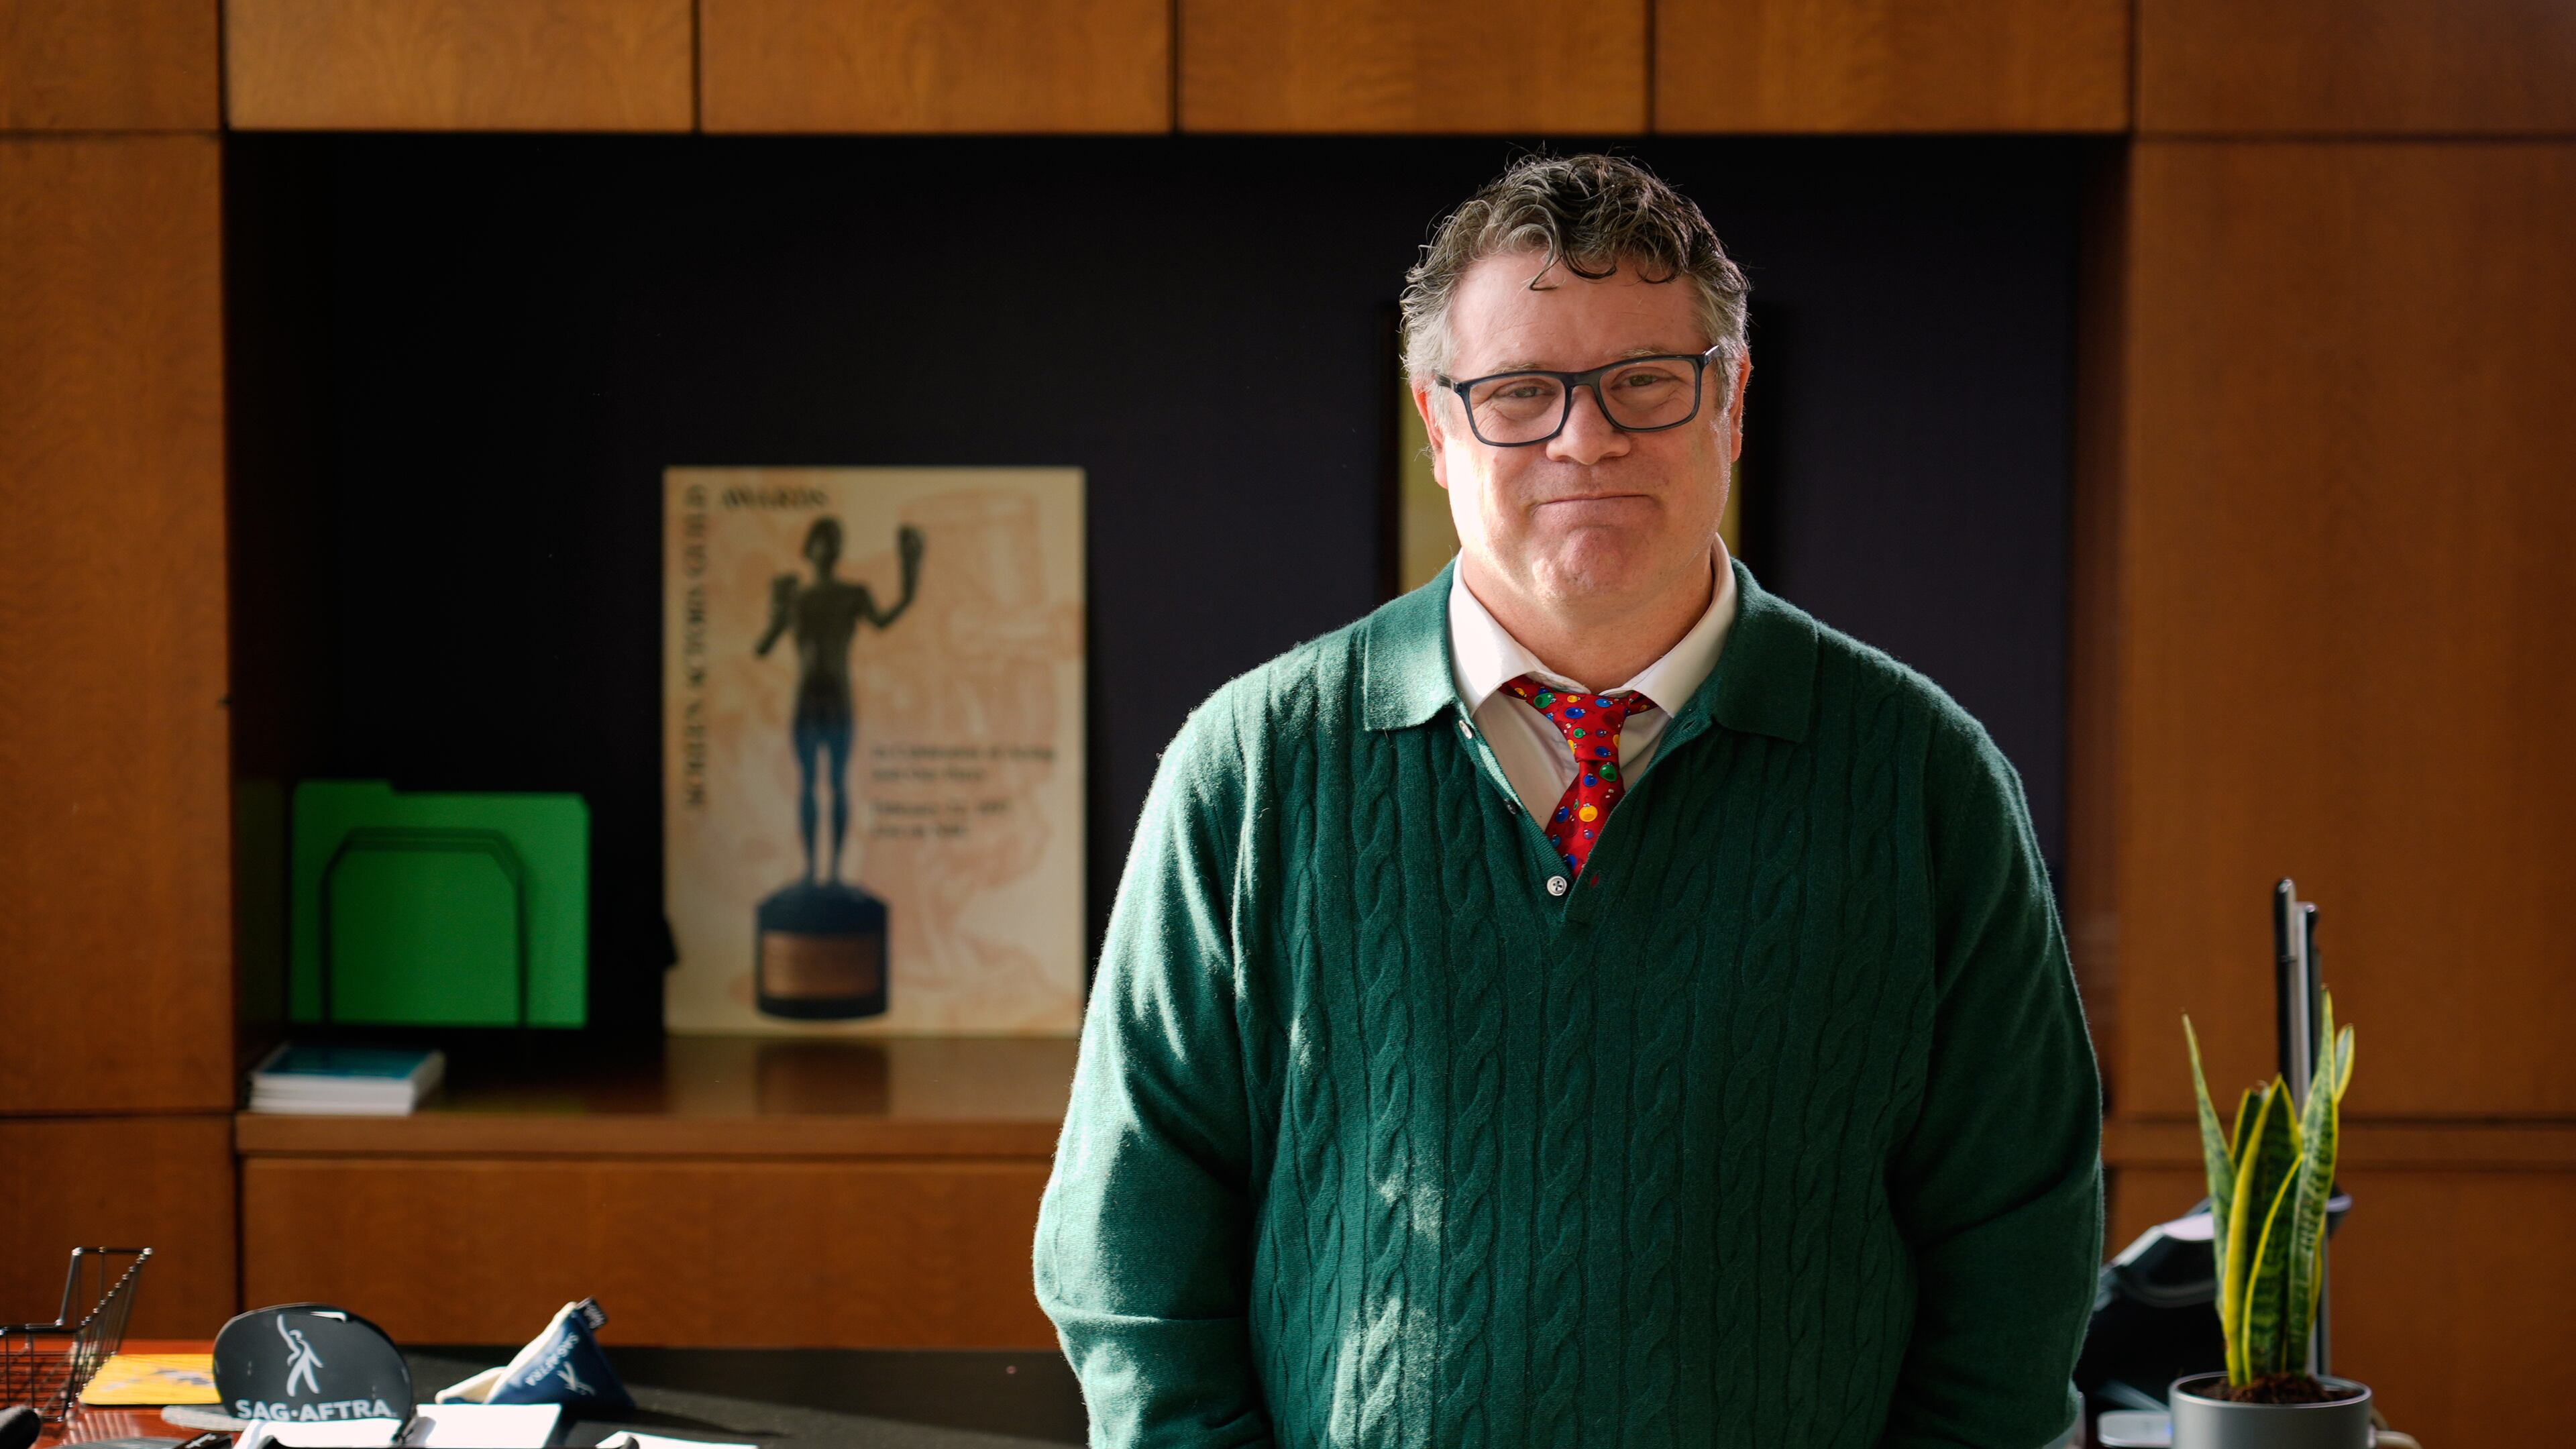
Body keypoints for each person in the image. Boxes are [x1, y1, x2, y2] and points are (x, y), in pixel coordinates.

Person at [1034, 154, 2101, 1448]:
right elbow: (1130, 1260)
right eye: (1519, 392)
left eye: (1645, 383)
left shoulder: (1925, 780)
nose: (1583, 438)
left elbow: (2019, 1265)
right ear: (1438, 426)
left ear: (1732, 400)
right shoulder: (1252, 768)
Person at [755, 517, 924, 884]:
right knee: (808, 784)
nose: (828, 547)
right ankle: (812, 871)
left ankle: (832, 874)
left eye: (835, 539)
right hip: (808, 697)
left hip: (837, 695)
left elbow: (883, 620)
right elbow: (762, 649)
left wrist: (911, 576)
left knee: (837, 781)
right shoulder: (796, 596)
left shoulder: (853, 594)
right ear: (810, 547)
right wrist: (776, 610)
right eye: (822, 539)